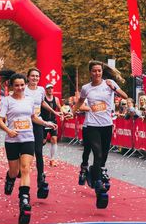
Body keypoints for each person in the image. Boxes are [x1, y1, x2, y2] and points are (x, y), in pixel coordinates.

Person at [0, 72, 57, 224]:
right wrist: (8, 131)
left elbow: (33, 117)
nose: (20, 88)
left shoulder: (29, 100)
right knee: (15, 171)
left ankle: (24, 200)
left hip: (28, 138)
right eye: (17, 85)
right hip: (12, 140)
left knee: (26, 169)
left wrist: (47, 123)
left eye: (22, 85)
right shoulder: (6, 101)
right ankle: (10, 177)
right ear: (12, 86)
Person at [73, 60, 128, 208]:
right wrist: (72, 111)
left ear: (102, 72)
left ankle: (95, 174)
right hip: (92, 125)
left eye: (99, 71)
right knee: (96, 153)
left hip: (106, 125)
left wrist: (115, 89)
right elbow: (80, 101)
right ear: (90, 72)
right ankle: (98, 183)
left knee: (103, 156)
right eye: (94, 71)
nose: (97, 73)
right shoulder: (86, 88)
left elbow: (124, 96)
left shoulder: (109, 84)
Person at [25, 68, 62, 198]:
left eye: (37, 76)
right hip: (25, 123)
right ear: (28, 77)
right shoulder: (23, 89)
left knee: (39, 152)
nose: (35, 78)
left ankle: (41, 178)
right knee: (27, 152)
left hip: (38, 122)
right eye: (32, 76)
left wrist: (55, 111)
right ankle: (20, 171)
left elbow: (42, 102)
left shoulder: (41, 90)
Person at [40, 83, 63, 167]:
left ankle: (52, 159)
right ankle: (39, 157)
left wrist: (62, 116)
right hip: (44, 122)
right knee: (42, 141)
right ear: (46, 90)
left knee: (54, 139)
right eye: (48, 88)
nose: (50, 90)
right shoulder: (43, 99)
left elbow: (60, 108)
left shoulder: (56, 99)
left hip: (53, 122)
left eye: (51, 88)